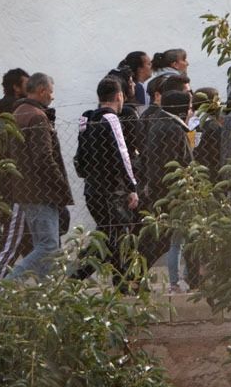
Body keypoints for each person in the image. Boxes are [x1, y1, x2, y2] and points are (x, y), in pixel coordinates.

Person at [4, 73, 73, 280]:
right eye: (51, 92)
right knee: (48, 245)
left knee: (42, 246)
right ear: (42, 91)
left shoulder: (18, 112)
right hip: (41, 192)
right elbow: (44, 158)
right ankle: (3, 288)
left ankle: (46, 297)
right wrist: (61, 186)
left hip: (25, 191)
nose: (52, 97)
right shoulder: (37, 117)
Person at [75, 77, 140, 282]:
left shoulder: (88, 120)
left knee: (110, 236)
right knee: (115, 239)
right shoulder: (111, 120)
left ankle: (120, 283)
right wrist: (132, 186)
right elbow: (123, 155)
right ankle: (76, 277)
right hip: (112, 191)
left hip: (93, 190)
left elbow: (81, 159)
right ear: (119, 96)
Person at [142, 89, 194, 293]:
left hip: (161, 190)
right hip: (175, 193)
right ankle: (175, 282)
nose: (190, 110)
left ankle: (177, 280)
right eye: (188, 106)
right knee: (177, 241)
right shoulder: (173, 128)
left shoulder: (158, 124)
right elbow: (178, 163)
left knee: (175, 239)